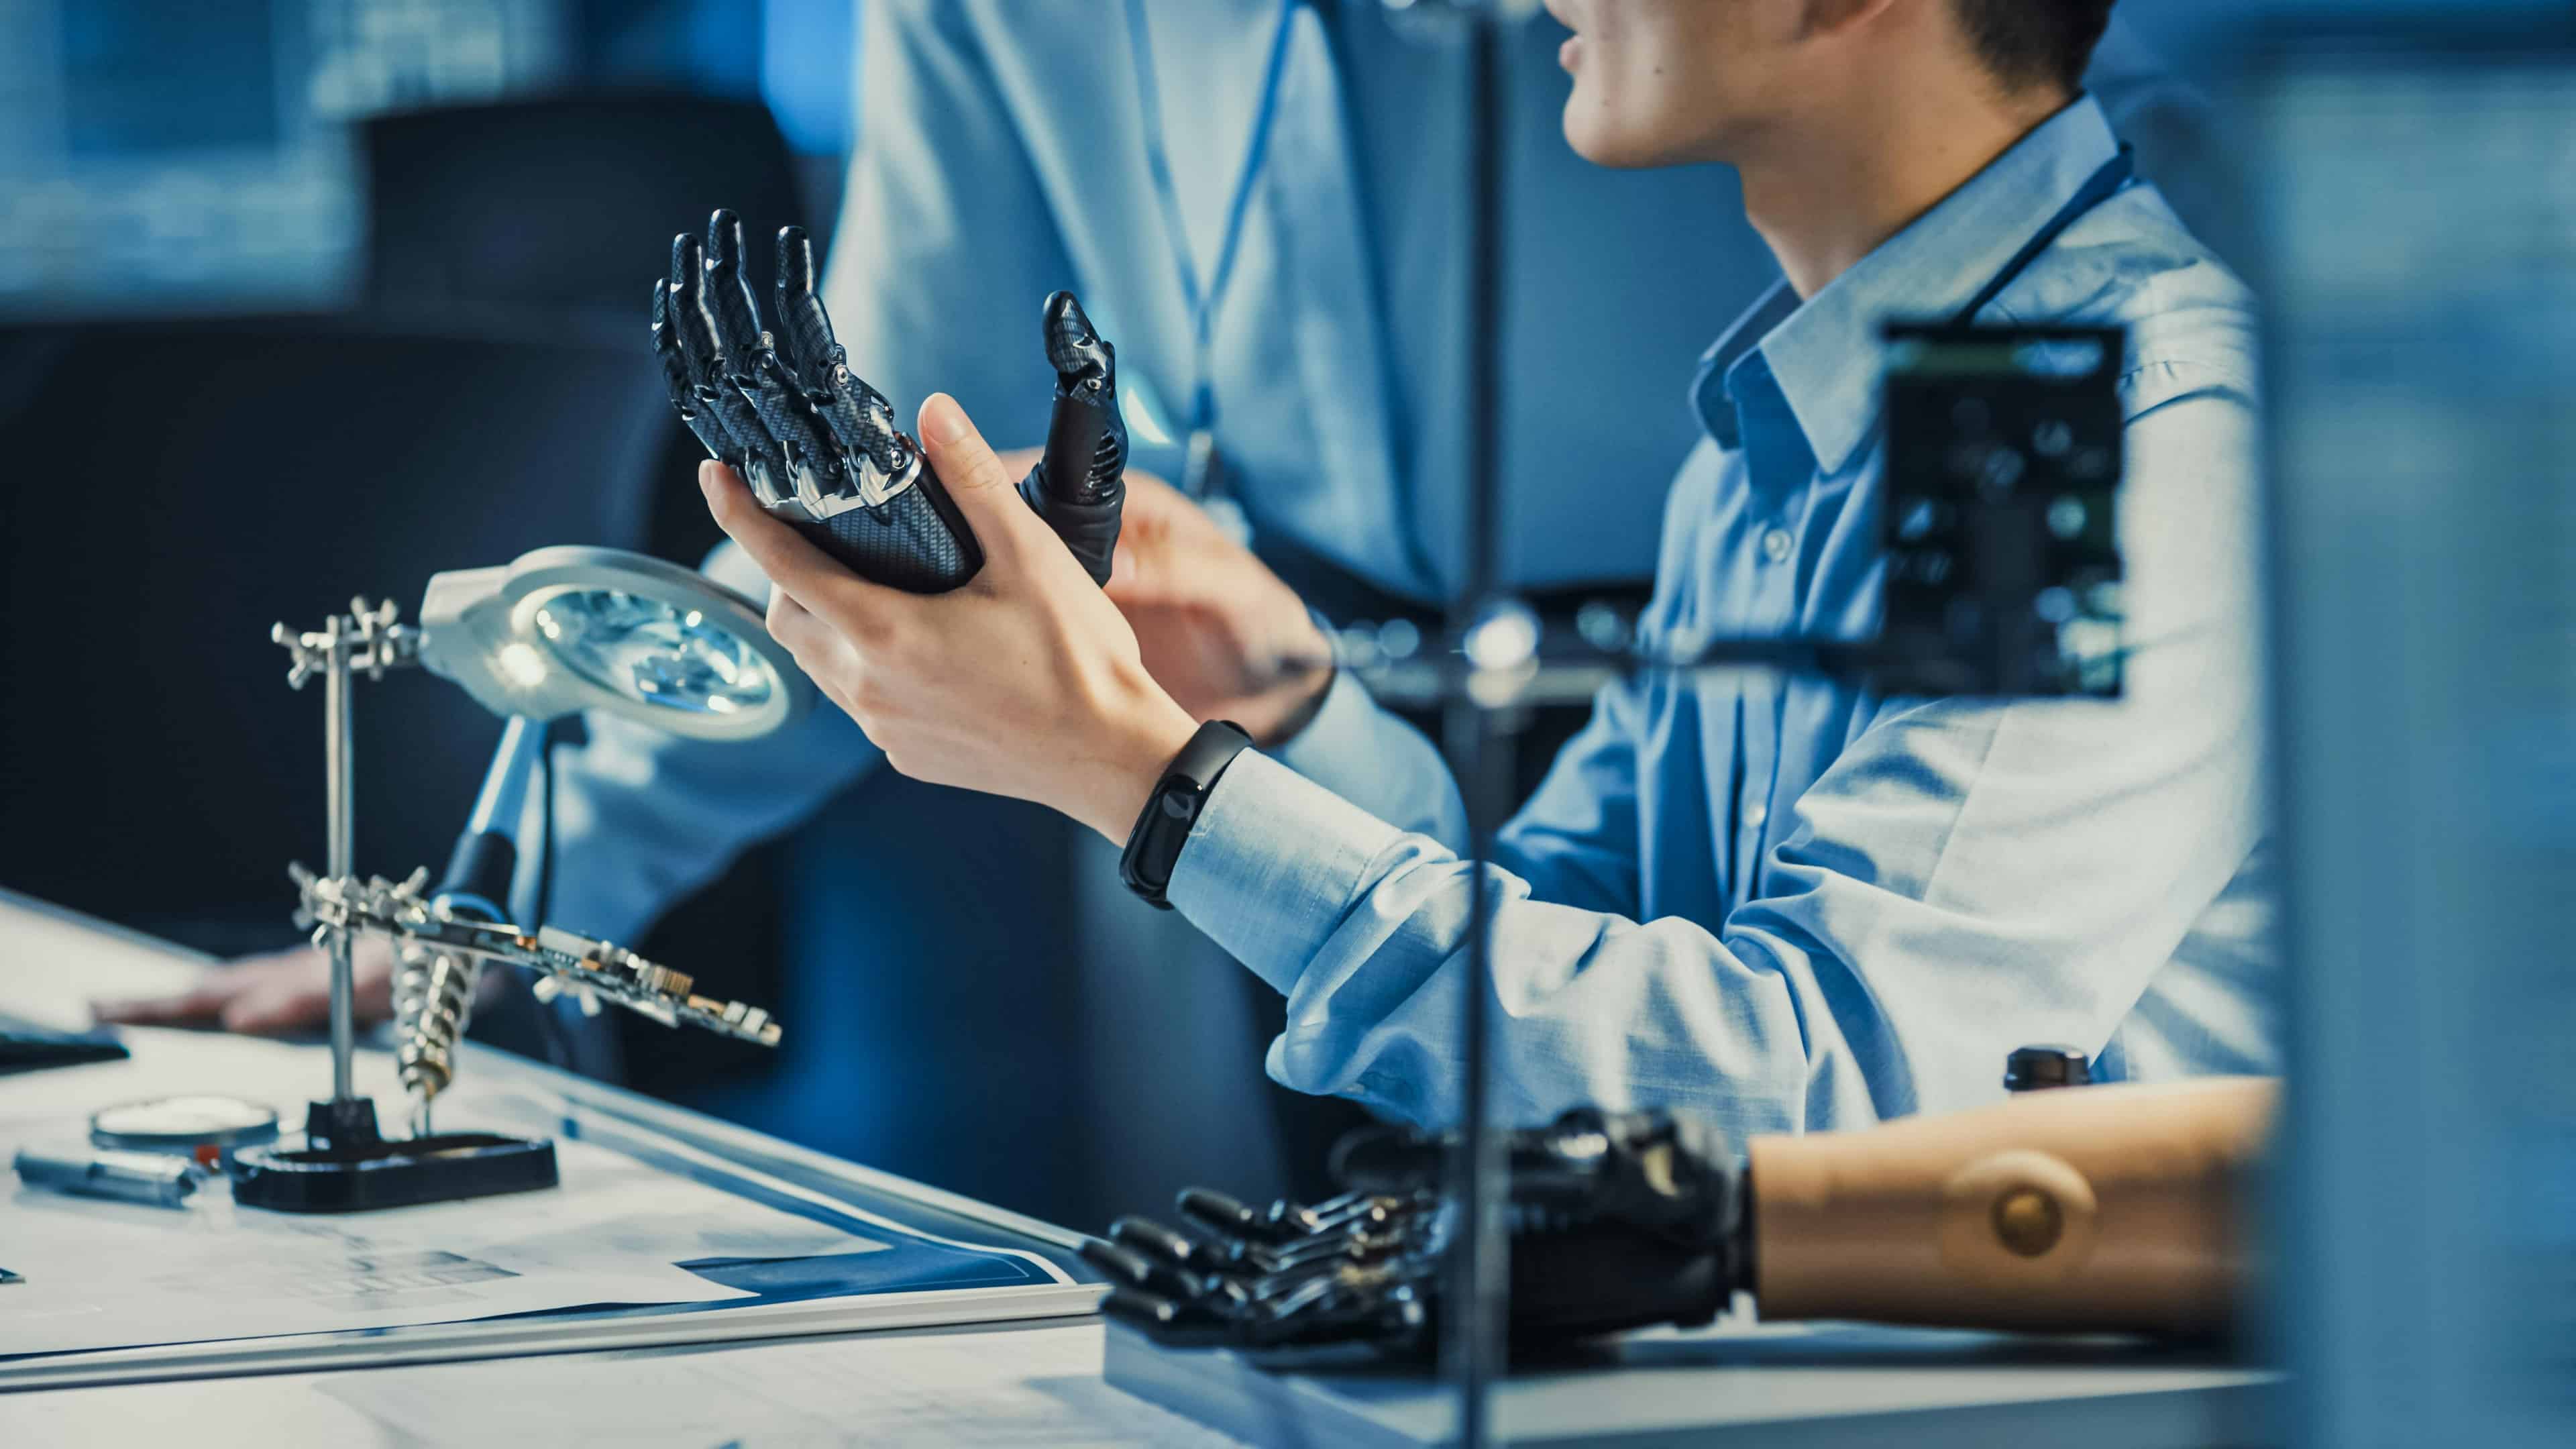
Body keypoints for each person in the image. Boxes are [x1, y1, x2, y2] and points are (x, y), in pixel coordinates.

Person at [104, 5, 2245, 1141]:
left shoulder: (2045, 396)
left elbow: (1817, 1077)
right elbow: (1619, 943)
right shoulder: (1825, 402)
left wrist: (1149, 779)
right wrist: (1286, 725)